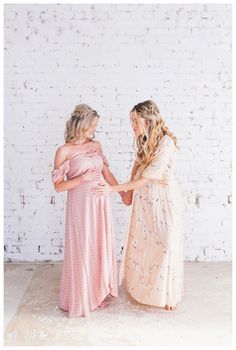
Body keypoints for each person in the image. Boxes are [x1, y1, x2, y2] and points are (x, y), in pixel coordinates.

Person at [92, 100, 184, 311]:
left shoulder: (166, 143)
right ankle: (143, 290)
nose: (132, 125)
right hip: (145, 201)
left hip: (164, 199)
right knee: (145, 244)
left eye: (135, 120)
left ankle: (168, 294)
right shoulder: (144, 139)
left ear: (147, 119)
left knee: (167, 243)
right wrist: (129, 193)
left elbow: (148, 177)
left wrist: (112, 189)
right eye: (131, 121)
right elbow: (138, 166)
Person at [51, 104, 124, 317]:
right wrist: (82, 178)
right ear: (82, 125)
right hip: (81, 205)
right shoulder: (64, 151)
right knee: (84, 246)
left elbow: (106, 171)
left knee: (99, 244)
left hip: (101, 202)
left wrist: (121, 192)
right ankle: (82, 295)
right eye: (93, 125)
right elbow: (58, 186)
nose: (95, 129)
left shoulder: (96, 145)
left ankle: (98, 292)